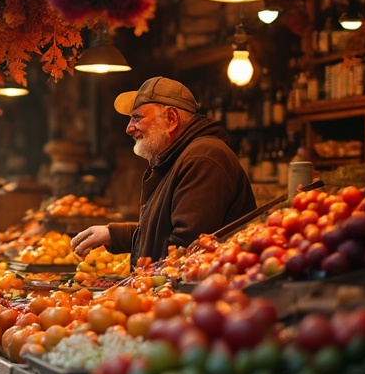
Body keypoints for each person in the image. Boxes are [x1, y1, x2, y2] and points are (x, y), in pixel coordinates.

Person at [71, 76, 256, 263]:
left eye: (137, 118)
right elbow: (165, 233)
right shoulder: (179, 157)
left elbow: (185, 250)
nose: (129, 128)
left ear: (171, 119)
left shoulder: (202, 157)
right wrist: (114, 234)